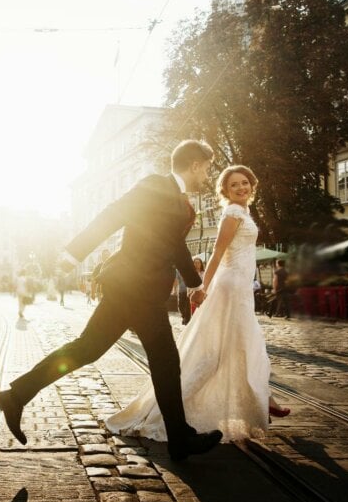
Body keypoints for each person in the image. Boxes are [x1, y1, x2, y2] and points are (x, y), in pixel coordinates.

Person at [0, 140, 222, 460]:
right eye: (206, 168)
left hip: (136, 290)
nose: (206, 175)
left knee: (87, 349)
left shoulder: (179, 201)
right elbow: (113, 215)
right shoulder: (155, 186)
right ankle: (180, 439)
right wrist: (74, 254)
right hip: (136, 288)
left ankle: (16, 395)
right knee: (164, 361)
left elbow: (175, 246)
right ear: (196, 164)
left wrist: (196, 284)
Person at [106, 165, 290, 445]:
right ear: (225, 192)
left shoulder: (244, 212)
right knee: (222, 350)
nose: (240, 188)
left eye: (244, 183)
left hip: (240, 287)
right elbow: (217, 252)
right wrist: (202, 286)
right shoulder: (232, 213)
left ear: (252, 185)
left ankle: (264, 397)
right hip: (230, 287)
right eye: (233, 185)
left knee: (242, 345)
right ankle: (259, 399)